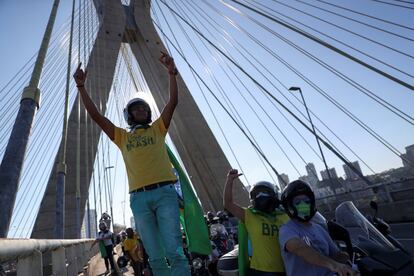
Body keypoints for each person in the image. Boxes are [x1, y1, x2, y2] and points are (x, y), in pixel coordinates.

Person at [73, 51, 189, 276]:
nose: (142, 110)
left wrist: (171, 72)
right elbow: (97, 116)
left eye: (145, 108)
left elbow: (172, 102)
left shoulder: (158, 129)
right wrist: (81, 88)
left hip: (165, 192)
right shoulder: (122, 137)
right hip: (139, 198)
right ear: (129, 115)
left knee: (175, 251)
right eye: (137, 108)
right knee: (155, 256)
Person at [279, 180, 355, 276]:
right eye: (297, 202)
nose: (303, 205)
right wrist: (334, 265)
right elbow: (300, 248)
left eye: (306, 201)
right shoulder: (286, 230)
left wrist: (346, 261)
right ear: (289, 206)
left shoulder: (319, 229)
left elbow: (336, 254)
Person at [223, 169, 289, 276]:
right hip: (260, 271)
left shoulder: (285, 216)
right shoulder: (250, 215)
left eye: (265, 192)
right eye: (257, 194)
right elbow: (228, 204)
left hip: (286, 269)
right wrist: (230, 180)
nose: (261, 196)